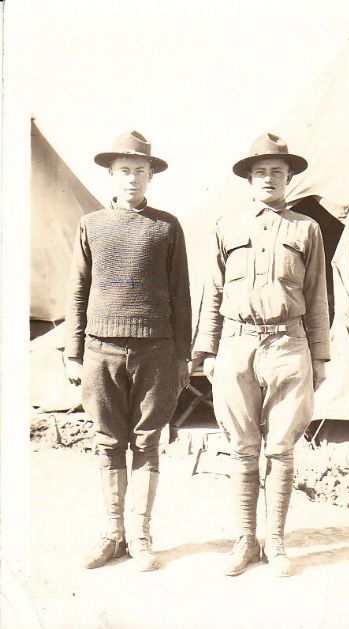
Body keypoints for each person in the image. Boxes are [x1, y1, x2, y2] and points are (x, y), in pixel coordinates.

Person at [191, 132, 330, 577]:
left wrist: (321, 357)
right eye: (260, 172)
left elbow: (318, 296)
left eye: (277, 171)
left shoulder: (305, 229)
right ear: (248, 180)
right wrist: (207, 350)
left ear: (289, 178)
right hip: (236, 344)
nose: (268, 178)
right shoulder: (226, 226)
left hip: (289, 345)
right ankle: (244, 540)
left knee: (282, 449)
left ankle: (277, 543)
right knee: (242, 449)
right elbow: (212, 295)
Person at [65, 130, 191, 570]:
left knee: (148, 440)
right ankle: (112, 533)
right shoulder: (91, 225)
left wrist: (182, 356)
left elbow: (181, 294)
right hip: (101, 350)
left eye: (140, 170)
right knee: (107, 441)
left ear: (151, 175)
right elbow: (78, 291)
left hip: (156, 351)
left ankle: (140, 534)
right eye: (124, 171)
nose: (132, 178)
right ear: (110, 175)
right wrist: (73, 351)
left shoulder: (166, 225)